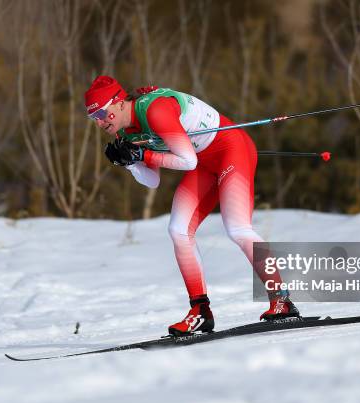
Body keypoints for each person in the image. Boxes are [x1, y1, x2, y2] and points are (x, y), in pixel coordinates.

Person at [84, 75, 300, 336]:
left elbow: (187, 161)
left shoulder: (155, 110)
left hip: (232, 150)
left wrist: (143, 154)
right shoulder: (128, 130)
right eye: (92, 117)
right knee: (178, 230)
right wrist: (129, 162)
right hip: (204, 163)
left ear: (118, 103)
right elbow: (151, 181)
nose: (98, 122)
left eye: (100, 113)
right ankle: (200, 311)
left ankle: (282, 300)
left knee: (237, 229)